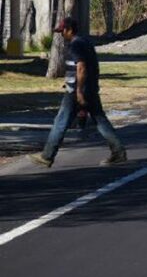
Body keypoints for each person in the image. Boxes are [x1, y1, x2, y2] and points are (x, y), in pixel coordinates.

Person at [30, 17, 126, 168]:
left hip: (76, 92)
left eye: (63, 31)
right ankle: (118, 151)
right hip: (90, 89)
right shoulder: (86, 42)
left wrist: (79, 91)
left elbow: (81, 67)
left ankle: (47, 156)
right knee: (100, 120)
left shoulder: (75, 45)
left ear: (69, 30)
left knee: (60, 122)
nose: (62, 35)